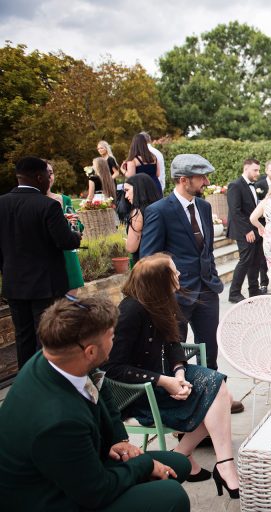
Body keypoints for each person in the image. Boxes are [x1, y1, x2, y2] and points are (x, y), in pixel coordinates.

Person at [0, 296, 191, 511]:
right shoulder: (58, 420)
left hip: (76, 471)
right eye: (112, 335)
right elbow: (95, 492)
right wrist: (144, 465)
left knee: (178, 465)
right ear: (90, 351)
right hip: (50, 498)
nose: (115, 339)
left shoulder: (57, 357)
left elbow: (102, 390)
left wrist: (119, 439)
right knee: (172, 496)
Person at [104, 254, 239, 498]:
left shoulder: (163, 300)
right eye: (173, 272)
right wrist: (164, 382)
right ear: (158, 280)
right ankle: (220, 463)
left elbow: (173, 342)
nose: (178, 275)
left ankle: (192, 455)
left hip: (167, 375)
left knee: (221, 393)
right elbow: (114, 368)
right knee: (220, 397)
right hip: (139, 392)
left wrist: (178, 373)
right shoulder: (130, 310)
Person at [140, 155, 244, 415]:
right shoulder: (159, 211)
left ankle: (216, 395)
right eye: (202, 178)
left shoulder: (205, 207)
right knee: (175, 351)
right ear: (184, 180)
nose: (207, 182)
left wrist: (212, 275)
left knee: (209, 346)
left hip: (207, 288)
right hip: (176, 294)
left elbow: (205, 249)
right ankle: (182, 400)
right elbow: (149, 258)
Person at [0, 157, 81, 368]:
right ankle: (45, 378)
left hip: (14, 283)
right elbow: (66, 241)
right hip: (46, 285)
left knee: (23, 336)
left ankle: (26, 379)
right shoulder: (47, 206)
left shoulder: (1, 203)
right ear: (39, 177)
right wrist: (75, 231)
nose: (49, 179)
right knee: (47, 335)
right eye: (48, 174)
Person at [226, 159, 268, 302]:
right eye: (255, 170)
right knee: (245, 260)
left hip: (255, 229)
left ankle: (254, 291)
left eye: (258, 170)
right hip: (243, 230)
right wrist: (247, 231)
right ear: (246, 169)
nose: (258, 173)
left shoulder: (255, 185)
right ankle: (234, 293)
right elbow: (235, 211)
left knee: (256, 260)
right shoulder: (235, 185)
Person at [46, 160, 84, 294]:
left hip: (68, 254)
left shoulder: (65, 199)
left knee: (70, 304)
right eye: (46, 173)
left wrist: (75, 224)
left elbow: (78, 226)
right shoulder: (35, 201)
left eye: (51, 173)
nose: (49, 176)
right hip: (48, 255)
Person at [124, 173, 162, 266]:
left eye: (127, 190)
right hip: (163, 262)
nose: (126, 195)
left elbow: (131, 247)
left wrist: (127, 241)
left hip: (144, 265)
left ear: (138, 189)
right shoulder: (161, 208)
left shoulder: (138, 213)